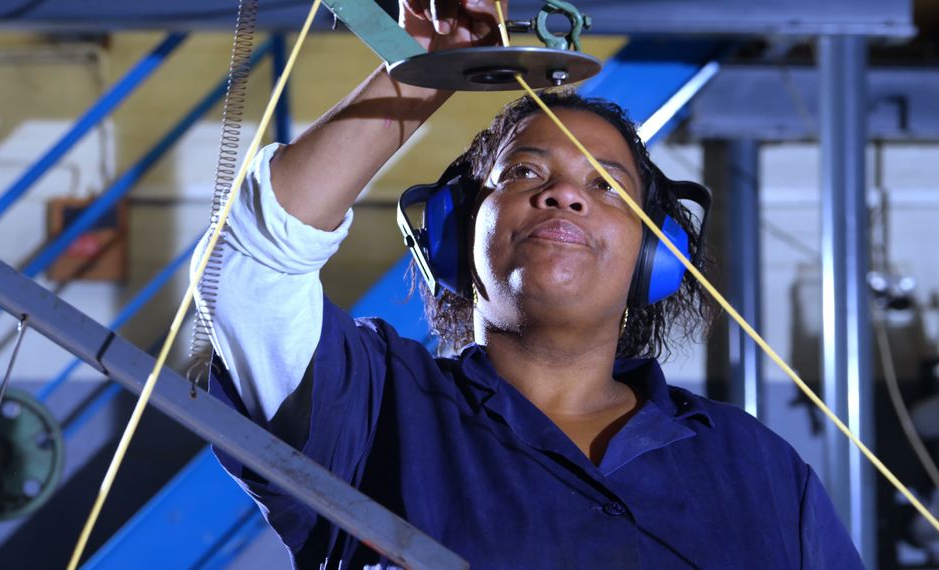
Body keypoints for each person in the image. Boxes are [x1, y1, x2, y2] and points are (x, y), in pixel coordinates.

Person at [193, 0, 863, 567]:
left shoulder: (758, 469)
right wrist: (426, 64)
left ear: (655, 255)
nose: (565, 196)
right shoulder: (372, 409)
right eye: (523, 174)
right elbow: (249, 269)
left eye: (606, 186)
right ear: (455, 235)